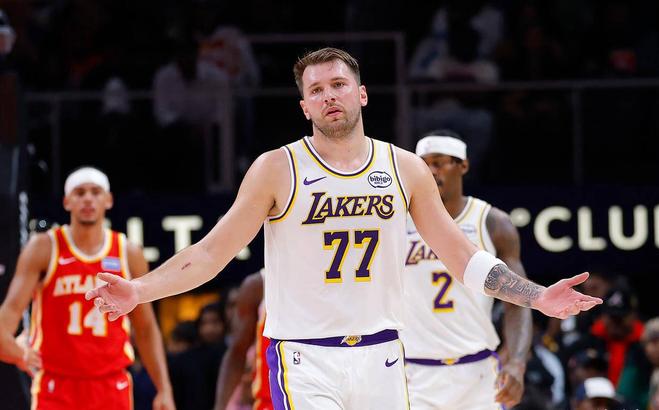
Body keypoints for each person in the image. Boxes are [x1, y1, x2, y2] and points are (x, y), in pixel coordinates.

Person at [86, 47, 601, 409]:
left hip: (384, 353)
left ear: (362, 94)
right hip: (305, 355)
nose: (329, 96)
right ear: (304, 106)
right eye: (316, 90)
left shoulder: (405, 168)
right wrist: (140, 289)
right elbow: (210, 253)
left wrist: (537, 296)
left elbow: (463, 257)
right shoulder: (277, 168)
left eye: (338, 85)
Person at [0, 167, 175, 410]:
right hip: (56, 385)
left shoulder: (128, 253)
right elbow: (9, 313)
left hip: (111, 384)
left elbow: (145, 328)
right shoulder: (43, 248)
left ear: (108, 200)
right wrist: (17, 352)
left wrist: (164, 388)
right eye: (80, 192)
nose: (88, 199)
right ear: (67, 201)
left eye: (95, 192)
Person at [400, 130, 532, 409]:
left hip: (478, 371)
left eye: (439, 162)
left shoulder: (492, 223)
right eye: (425, 164)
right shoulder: (398, 221)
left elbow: (517, 301)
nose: (431, 171)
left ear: (463, 165)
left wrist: (517, 362)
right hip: (413, 372)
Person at [215, 269, 272, 410]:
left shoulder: (322, 281)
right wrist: (220, 406)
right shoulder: (258, 285)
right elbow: (236, 353)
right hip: (269, 403)